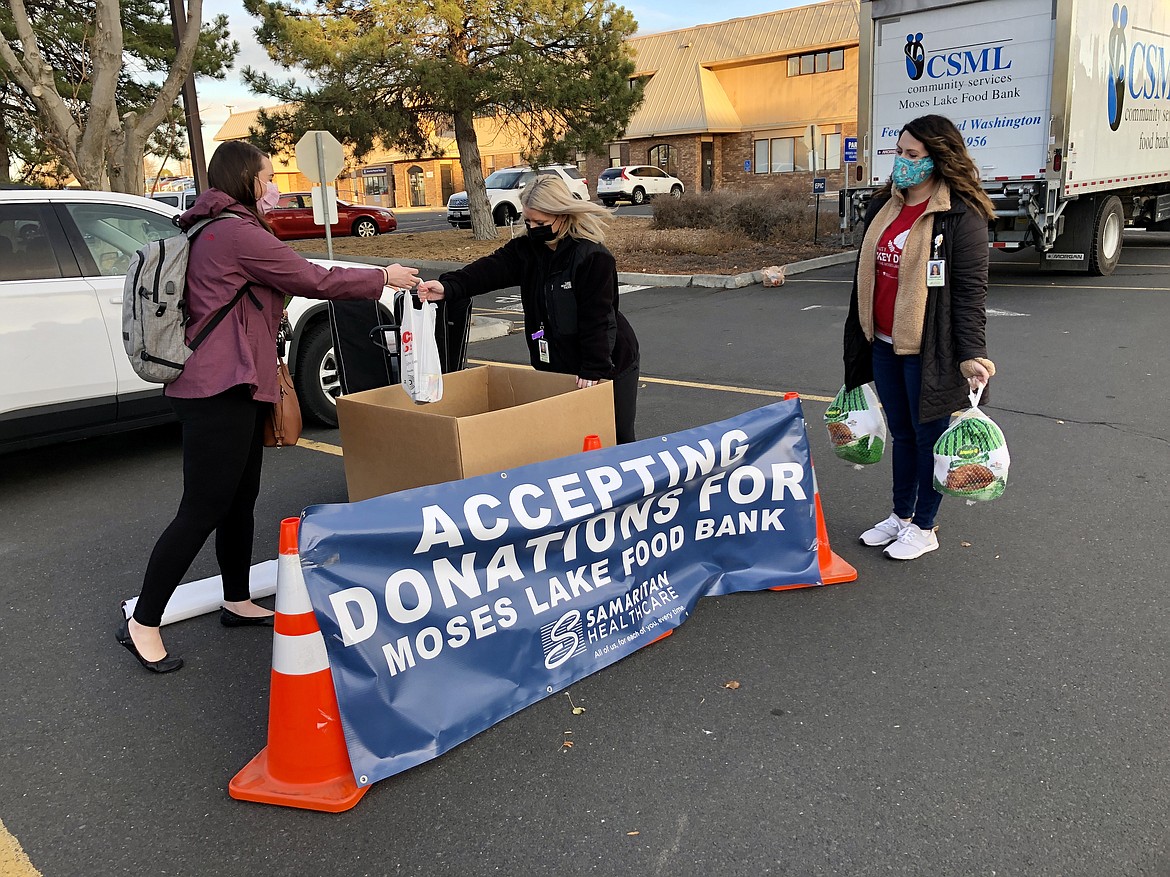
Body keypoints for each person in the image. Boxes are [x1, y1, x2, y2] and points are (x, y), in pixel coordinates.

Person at [118, 140, 420, 673]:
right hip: (216, 389)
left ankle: (236, 598)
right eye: (269, 175)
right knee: (204, 506)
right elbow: (311, 278)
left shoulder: (215, 225)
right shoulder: (234, 232)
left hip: (238, 382)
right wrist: (382, 278)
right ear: (248, 181)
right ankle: (143, 621)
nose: (275, 183)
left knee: (239, 497)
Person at [842, 114, 998, 561]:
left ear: (937, 159)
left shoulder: (960, 216)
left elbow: (970, 294)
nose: (902, 163)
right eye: (899, 152)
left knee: (928, 437)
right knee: (903, 435)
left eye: (913, 156)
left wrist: (971, 355)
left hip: (929, 347)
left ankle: (925, 527)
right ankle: (900, 516)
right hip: (885, 342)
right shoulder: (884, 206)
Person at [416, 175, 640, 443]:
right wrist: (448, 287)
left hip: (609, 362)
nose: (533, 228)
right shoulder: (527, 250)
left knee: (613, 437)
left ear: (563, 215)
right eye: (528, 221)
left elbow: (598, 319)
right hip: (556, 362)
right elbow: (489, 270)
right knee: (566, 439)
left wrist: (594, 369)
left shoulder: (593, 257)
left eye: (541, 223)